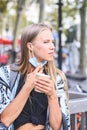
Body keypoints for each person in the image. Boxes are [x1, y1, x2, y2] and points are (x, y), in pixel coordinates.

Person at [0, 23, 70, 130]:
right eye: (46, 42)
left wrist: (52, 95)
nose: (52, 47)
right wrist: (27, 87)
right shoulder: (6, 74)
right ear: (30, 46)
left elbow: (56, 127)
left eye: (53, 42)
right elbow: (5, 120)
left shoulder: (56, 77)